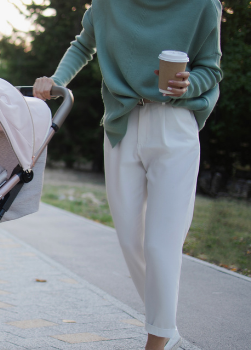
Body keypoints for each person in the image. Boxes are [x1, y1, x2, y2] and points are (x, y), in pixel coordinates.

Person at [32, 1, 223, 349]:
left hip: (176, 127)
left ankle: (158, 336)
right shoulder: (108, 5)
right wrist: (56, 81)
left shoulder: (202, 6)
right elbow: (83, 45)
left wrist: (190, 84)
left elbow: (211, 69)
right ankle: (163, 321)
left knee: (160, 243)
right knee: (131, 239)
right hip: (123, 125)